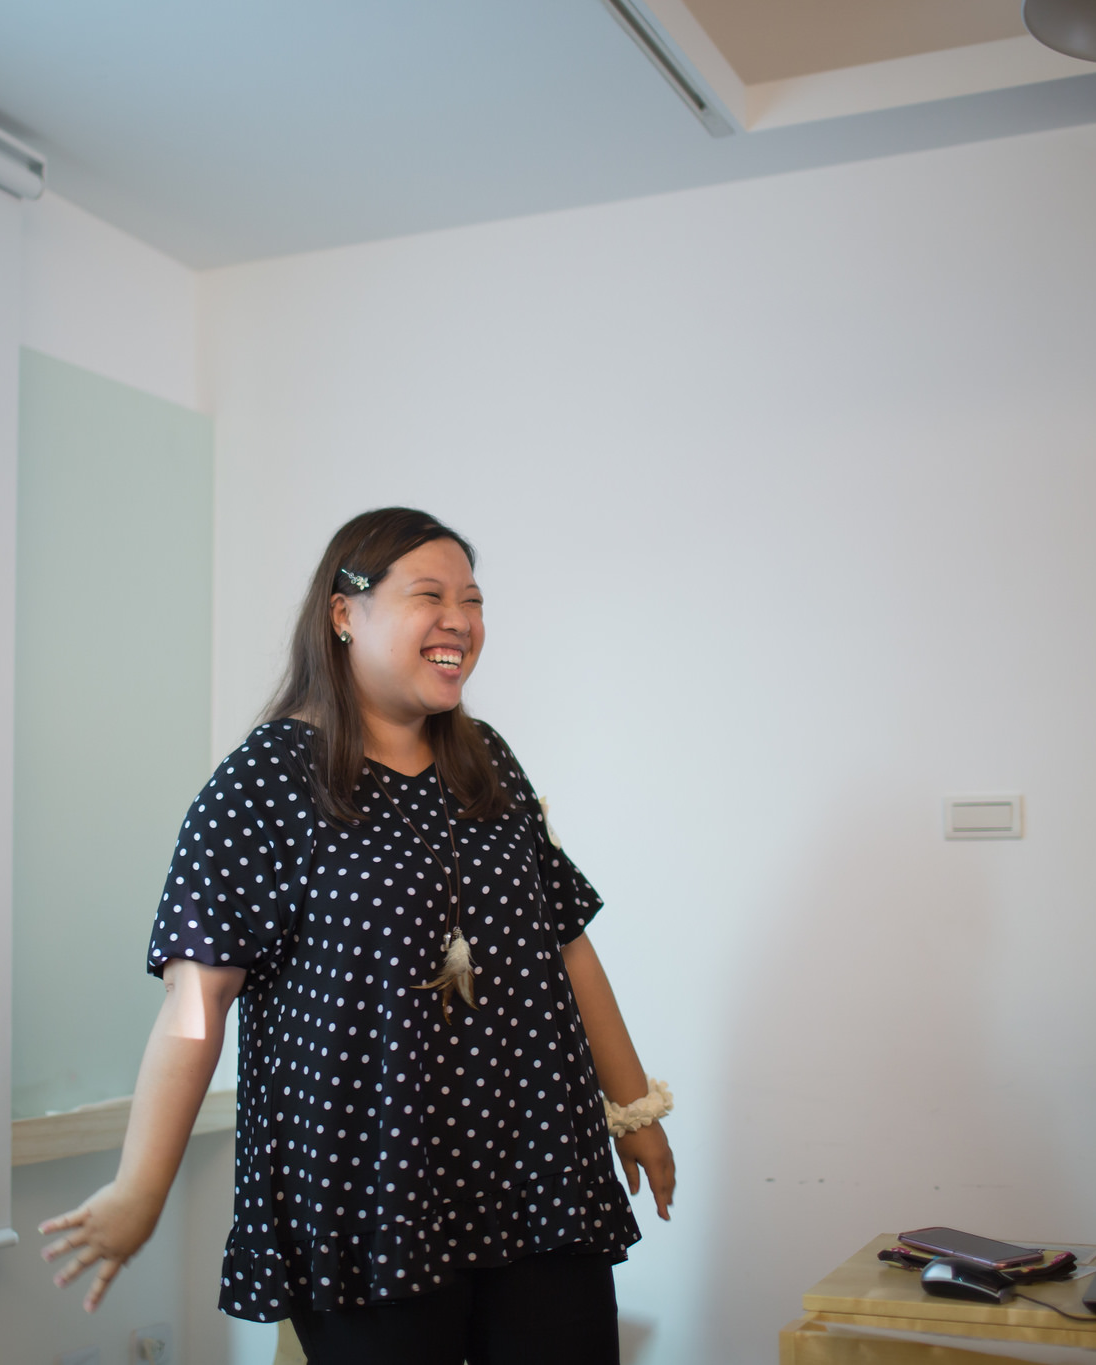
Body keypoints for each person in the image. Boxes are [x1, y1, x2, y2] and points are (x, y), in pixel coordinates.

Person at [39, 507, 675, 1364]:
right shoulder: (265, 781)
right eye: (430, 595)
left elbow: (566, 945)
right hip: (368, 1194)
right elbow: (197, 1001)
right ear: (345, 613)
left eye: (473, 600)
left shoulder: (486, 760)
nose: (459, 620)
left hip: (535, 1171)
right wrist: (140, 1188)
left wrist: (632, 1111)